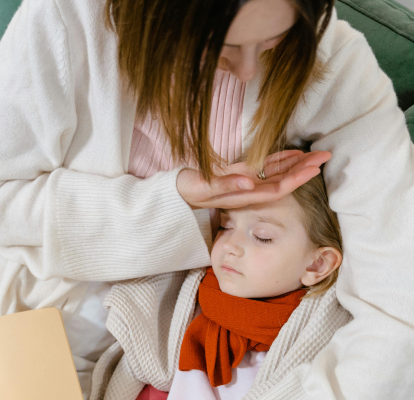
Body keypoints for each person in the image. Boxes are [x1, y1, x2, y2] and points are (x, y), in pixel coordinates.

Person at [0, 0, 412, 399]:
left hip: (133, 335)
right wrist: (177, 199)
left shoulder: (336, 60)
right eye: (222, 47)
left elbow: (396, 292)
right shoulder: (68, 17)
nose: (247, 70)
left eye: (276, 42)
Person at [95, 151, 350, 400]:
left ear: (317, 264)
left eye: (262, 236)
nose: (230, 245)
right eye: (226, 227)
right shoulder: (183, 314)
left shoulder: (323, 346)